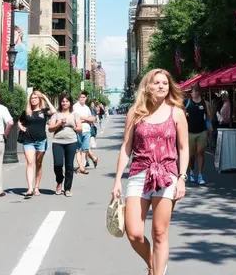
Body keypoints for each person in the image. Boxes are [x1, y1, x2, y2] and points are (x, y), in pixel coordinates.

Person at [111, 69, 188, 275]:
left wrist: (181, 178)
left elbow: (183, 148)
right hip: (139, 173)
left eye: (165, 82)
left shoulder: (177, 112)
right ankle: (154, 264)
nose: (161, 86)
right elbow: (126, 147)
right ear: (148, 86)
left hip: (167, 175)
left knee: (159, 233)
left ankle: (157, 272)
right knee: (134, 233)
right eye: (156, 82)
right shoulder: (135, 113)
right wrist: (118, 179)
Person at [18, 91, 56, 197]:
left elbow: (53, 111)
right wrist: (21, 127)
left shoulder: (43, 111)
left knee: (38, 164)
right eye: (32, 98)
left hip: (41, 140)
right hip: (28, 140)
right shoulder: (26, 112)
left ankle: (36, 187)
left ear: (39, 99)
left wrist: (44, 97)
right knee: (30, 163)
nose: (33, 99)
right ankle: (30, 188)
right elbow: (20, 121)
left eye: (35, 98)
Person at [48, 94, 82, 197]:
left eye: (67, 101)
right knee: (57, 164)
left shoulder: (75, 114)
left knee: (69, 166)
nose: (64, 103)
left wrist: (73, 126)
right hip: (58, 141)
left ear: (70, 103)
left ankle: (67, 188)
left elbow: (80, 129)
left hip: (71, 141)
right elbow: (50, 128)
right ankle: (59, 180)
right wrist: (59, 123)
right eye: (63, 101)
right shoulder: (56, 114)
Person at [185, 84, 211, 185]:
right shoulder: (187, 102)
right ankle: (191, 171)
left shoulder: (205, 103)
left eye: (195, 91)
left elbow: (209, 116)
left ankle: (200, 174)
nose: (193, 93)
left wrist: (209, 127)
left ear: (199, 92)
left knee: (200, 152)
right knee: (191, 156)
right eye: (192, 91)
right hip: (190, 132)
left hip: (202, 131)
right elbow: (182, 114)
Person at [73, 91, 98, 172]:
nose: (82, 99)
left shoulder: (86, 108)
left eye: (84, 97)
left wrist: (83, 118)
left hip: (87, 130)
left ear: (86, 98)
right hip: (78, 129)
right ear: (78, 98)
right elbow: (75, 118)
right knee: (77, 149)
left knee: (85, 149)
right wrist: (86, 119)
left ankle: (82, 166)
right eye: (81, 97)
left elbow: (92, 119)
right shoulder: (75, 107)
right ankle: (81, 166)